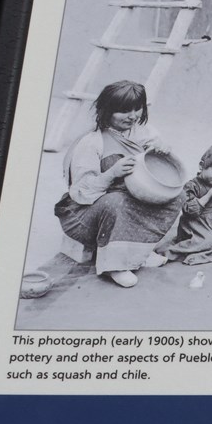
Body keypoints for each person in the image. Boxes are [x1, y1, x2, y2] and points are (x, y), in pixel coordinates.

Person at [53, 80, 182, 288]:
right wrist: (112, 173)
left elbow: (157, 157)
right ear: (107, 111)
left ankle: (139, 253)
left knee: (177, 195)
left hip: (130, 201)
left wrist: (162, 148)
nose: (132, 116)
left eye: (136, 108)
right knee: (116, 201)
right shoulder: (92, 142)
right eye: (123, 111)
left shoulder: (143, 132)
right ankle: (114, 265)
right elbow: (81, 192)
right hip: (86, 213)